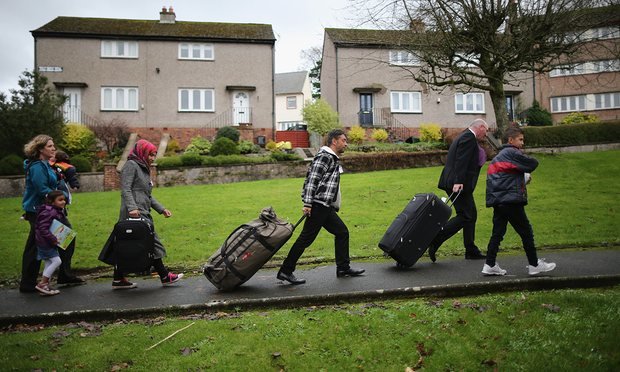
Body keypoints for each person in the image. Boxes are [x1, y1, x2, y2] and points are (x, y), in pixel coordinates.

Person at [277, 129, 365, 285]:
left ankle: (343, 267)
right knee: (305, 239)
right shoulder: (324, 157)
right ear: (334, 141)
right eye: (343, 140)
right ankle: (286, 270)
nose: (346, 143)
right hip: (318, 205)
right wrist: (307, 203)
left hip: (325, 206)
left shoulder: (331, 158)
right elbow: (312, 180)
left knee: (342, 232)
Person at [481, 127, 556, 276]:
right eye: (520, 139)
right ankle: (534, 265)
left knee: (498, 233)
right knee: (526, 232)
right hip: (510, 201)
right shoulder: (512, 152)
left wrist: (520, 176)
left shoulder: (498, 156)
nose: (523, 142)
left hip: (499, 200)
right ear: (511, 140)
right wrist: (523, 173)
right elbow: (532, 163)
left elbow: (502, 177)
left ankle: (489, 264)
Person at [111, 139, 183, 289]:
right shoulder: (131, 165)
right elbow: (125, 189)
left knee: (126, 244)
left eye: (154, 155)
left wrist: (161, 209)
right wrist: (132, 208)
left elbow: (147, 195)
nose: (152, 158)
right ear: (142, 152)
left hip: (142, 210)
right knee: (150, 241)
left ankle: (118, 278)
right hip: (134, 213)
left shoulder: (143, 168)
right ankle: (164, 276)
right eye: (150, 154)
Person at [20, 135, 83, 293]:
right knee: (34, 247)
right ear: (40, 149)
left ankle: (64, 275)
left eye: (53, 145)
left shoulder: (45, 165)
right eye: (49, 146)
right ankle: (27, 283)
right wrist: (60, 198)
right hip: (38, 211)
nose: (53, 148)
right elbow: (42, 190)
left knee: (66, 238)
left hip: (50, 210)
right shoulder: (36, 167)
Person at [428, 119, 489, 262]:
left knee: (471, 214)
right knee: (466, 215)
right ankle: (436, 238)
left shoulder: (464, 135)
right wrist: (458, 181)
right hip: (457, 184)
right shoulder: (469, 138)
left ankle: (471, 250)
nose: (485, 135)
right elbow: (461, 161)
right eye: (485, 131)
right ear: (480, 127)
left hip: (456, 183)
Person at [34, 191, 69, 296]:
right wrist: (53, 239)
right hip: (45, 242)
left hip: (47, 242)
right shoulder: (49, 212)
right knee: (57, 261)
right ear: (51, 201)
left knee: (49, 263)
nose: (63, 202)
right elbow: (42, 228)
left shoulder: (54, 210)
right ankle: (42, 283)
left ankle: (45, 286)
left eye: (64, 199)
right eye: (60, 200)